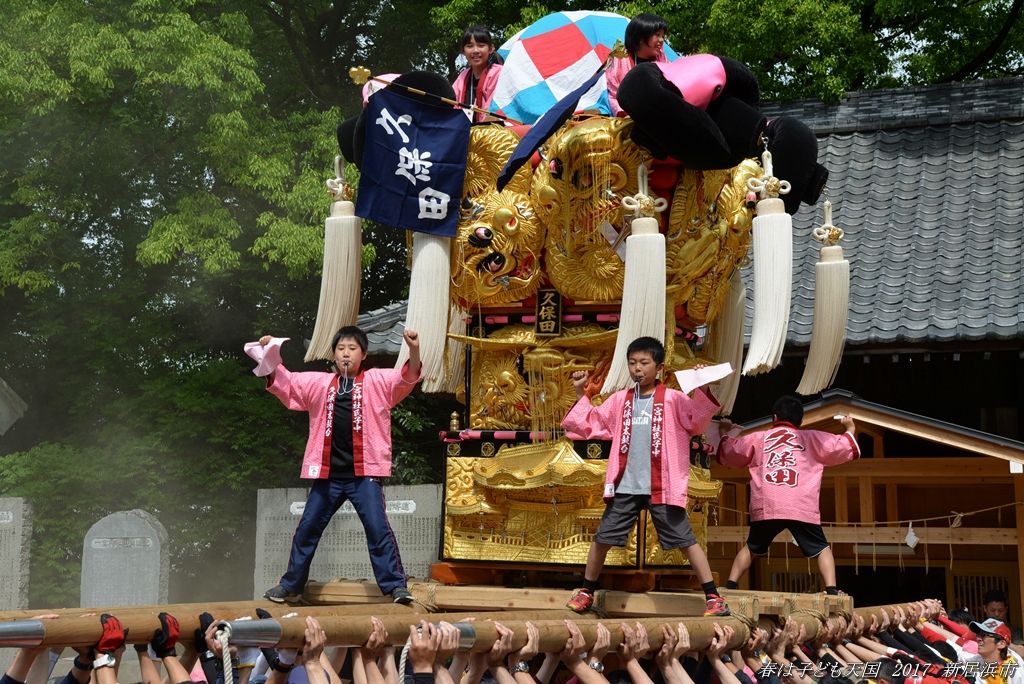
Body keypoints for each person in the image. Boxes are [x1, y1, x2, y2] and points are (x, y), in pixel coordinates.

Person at [560, 336, 729, 616]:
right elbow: (592, 423)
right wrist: (581, 393)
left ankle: (713, 596)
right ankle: (586, 590)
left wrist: (703, 386)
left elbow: (697, 421)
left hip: (661, 485)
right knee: (602, 539)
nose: (637, 368)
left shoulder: (674, 399)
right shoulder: (619, 401)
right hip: (625, 484)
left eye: (644, 363)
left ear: (659, 368)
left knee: (686, 541)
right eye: (632, 363)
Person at [252, 326, 422, 605]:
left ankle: (395, 586)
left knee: (378, 529)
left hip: (363, 473)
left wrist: (413, 349)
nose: (346, 353)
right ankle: (291, 585)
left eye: (352, 348)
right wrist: (270, 352)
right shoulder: (319, 383)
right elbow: (288, 383)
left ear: (363, 354)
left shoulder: (378, 381)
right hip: (328, 475)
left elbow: (407, 377)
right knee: (307, 529)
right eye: (341, 348)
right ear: (333, 354)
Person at [717, 395, 859, 595]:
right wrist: (850, 429)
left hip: (768, 505)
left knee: (751, 547)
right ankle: (831, 589)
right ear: (800, 420)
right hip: (801, 505)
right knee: (821, 548)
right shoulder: (811, 438)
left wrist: (724, 433)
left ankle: (730, 586)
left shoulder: (759, 438)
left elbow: (730, 452)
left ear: (774, 417)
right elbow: (842, 446)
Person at [605, 13, 670, 116]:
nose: (662, 40)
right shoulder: (619, 60)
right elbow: (614, 95)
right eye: (657, 35)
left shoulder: (662, 58)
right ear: (640, 38)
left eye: (663, 36)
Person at [452, 25, 503, 122]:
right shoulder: (462, 76)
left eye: (481, 45)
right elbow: (453, 105)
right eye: (470, 46)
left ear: (491, 48)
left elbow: (495, 109)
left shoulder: (498, 73)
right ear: (463, 51)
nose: (475, 50)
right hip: (465, 131)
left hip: (490, 132)